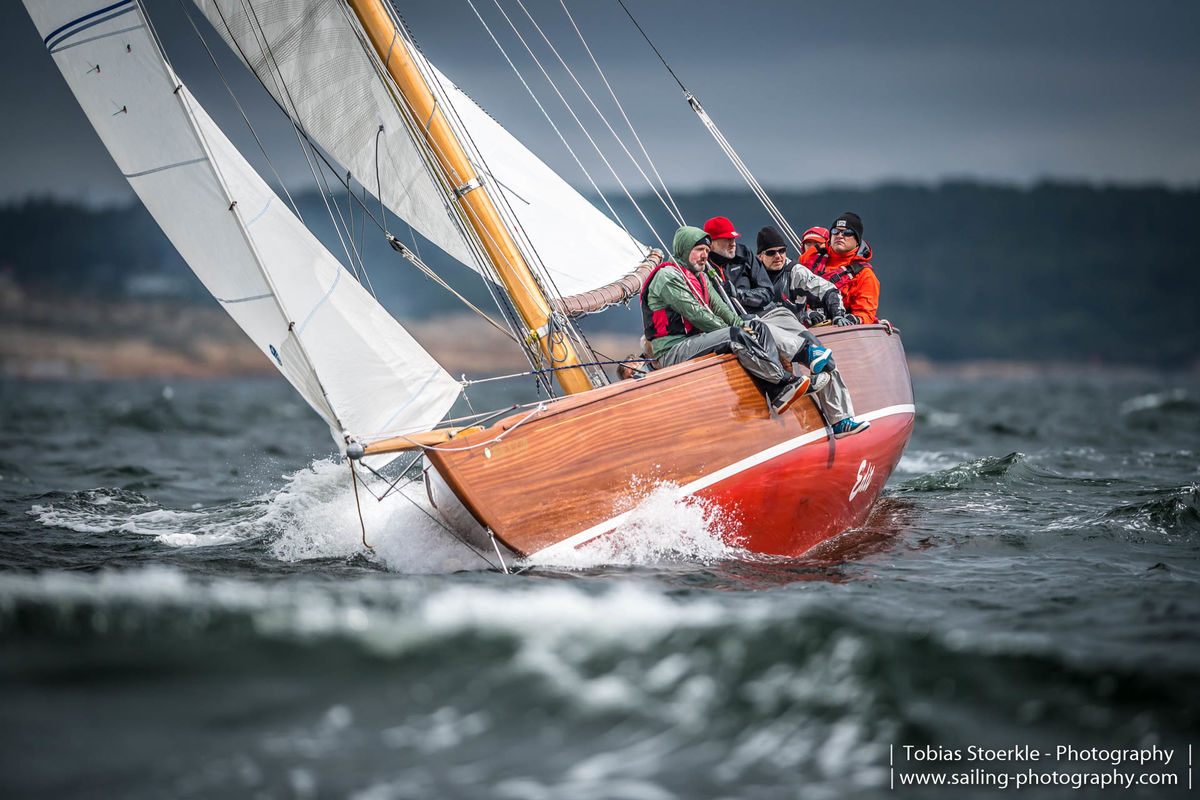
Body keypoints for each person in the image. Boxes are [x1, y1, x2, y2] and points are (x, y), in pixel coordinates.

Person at [641, 225, 811, 414]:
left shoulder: (701, 276)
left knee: (757, 326)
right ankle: (784, 380)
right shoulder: (667, 277)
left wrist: (743, 325)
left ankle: (776, 391)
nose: (704, 255)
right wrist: (734, 331)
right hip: (673, 349)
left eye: (707, 250)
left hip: (695, 341)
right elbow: (698, 315)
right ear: (684, 249)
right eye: (699, 250)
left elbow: (720, 307)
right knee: (735, 335)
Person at [756, 226, 855, 328]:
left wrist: (838, 315)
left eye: (782, 250)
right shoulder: (751, 274)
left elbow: (828, 290)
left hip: (794, 330)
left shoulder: (796, 271)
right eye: (771, 253)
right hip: (762, 330)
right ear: (760, 256)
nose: (778, 256)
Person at [801, 212, 880, 325]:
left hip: (839, 330)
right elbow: (790, 292)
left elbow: (865, 314)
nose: (839, 235)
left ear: (857, 240)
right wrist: (805, 312)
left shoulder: (864, 274)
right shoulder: (810, 258)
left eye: (847, 233)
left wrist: (852, 320)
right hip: (802, 327)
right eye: (835, 231)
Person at [702, 216, 776, 315]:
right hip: (724, 322)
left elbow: (768, 292)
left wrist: (739, 294)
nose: (733, 244)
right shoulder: (702, 264)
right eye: (728, 239)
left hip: (758, 316)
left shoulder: (745, 255)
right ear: (711, 244)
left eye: (733, 239)